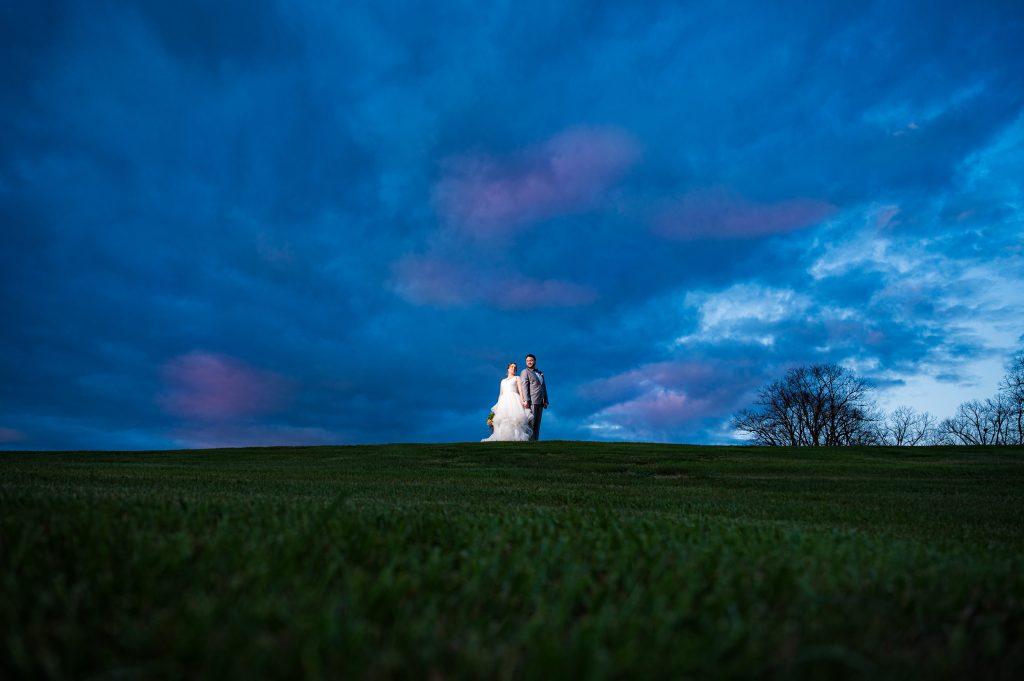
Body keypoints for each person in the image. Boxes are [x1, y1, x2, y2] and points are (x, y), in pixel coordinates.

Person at [481, 362, 533, 442]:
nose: (514, 368)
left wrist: (523, 401)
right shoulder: (503, 381)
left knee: (514, 419)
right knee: (503, 419)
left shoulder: (517, 378)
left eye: (515, 367)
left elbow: (520, 391)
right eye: (512, 367)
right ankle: (502, 437)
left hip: (514, 399)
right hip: (504, 401)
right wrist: (498, 405)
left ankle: (515, 437)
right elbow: (500, 394)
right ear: (508, 369)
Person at [520, 354, 548, 440]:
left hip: (540, 401)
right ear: (526, 362)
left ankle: (535, 441)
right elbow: (524, 387)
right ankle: (530, 441)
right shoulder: (525, 372)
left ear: (535, 361)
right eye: (528, 361)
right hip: (532, 401)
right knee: (531, 423)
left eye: (531, 360)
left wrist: (546, 400)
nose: (529, 362)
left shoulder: (540, 373)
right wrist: (526, 400)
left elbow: (543, 387)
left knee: (537, 424)